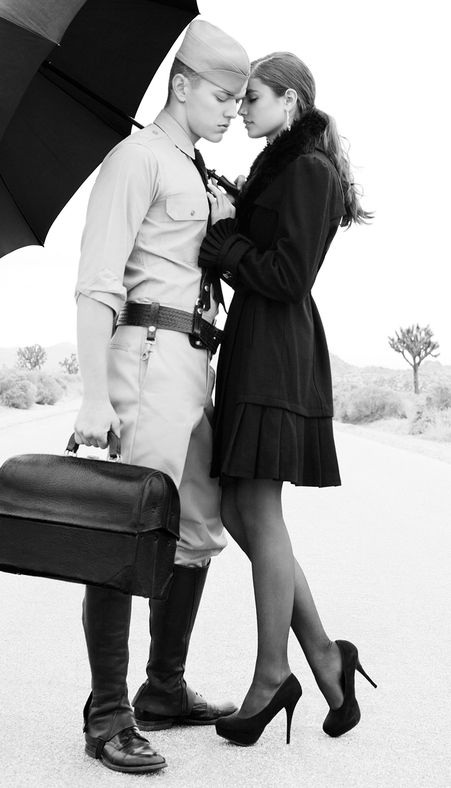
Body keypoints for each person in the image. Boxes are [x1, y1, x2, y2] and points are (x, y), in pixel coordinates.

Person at [72, 19, 249, 773]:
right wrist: (93, 397)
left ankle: (163, 690)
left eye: (240, 99)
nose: (232, 111)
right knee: (126, 529)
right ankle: (107, 715)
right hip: (143, 359)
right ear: (181, 85)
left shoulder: (195, 170)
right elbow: (96, 284)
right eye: (222, 96)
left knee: (199, 527)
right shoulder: (135, 158)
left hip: (195, 364)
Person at [198, 51, 377, 747]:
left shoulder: (309, 169)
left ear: (290, 102)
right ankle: (326, 656)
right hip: (256, 344)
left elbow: (289, 274)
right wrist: (231, 215)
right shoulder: (283, 166)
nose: (241, 108)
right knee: (238, 511)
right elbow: (263, 256)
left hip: (277, 351)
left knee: (259, 510)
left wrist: (227, 245)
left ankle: (274, 674)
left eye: (252, 98)